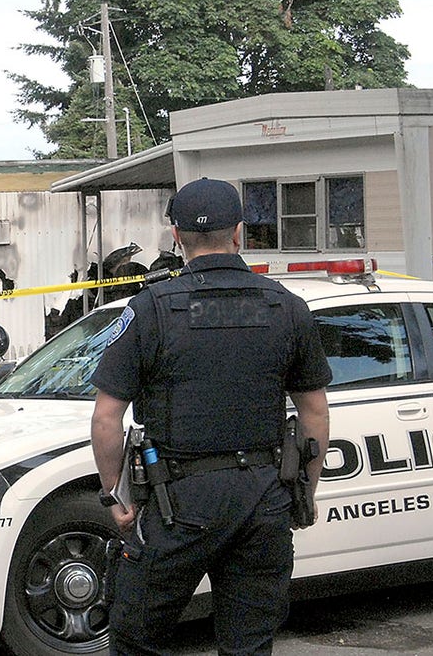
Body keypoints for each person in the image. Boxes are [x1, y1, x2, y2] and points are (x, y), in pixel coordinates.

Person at [89, 177, 332, 655]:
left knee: (136, 638)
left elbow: (106, 418)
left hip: (177, 504)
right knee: (249, 646)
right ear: (239, 232)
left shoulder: (151, 309)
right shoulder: (286, 306)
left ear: (176, 237)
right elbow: (314, 413)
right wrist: (305, 490)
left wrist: (112, 494)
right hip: (263, 499)